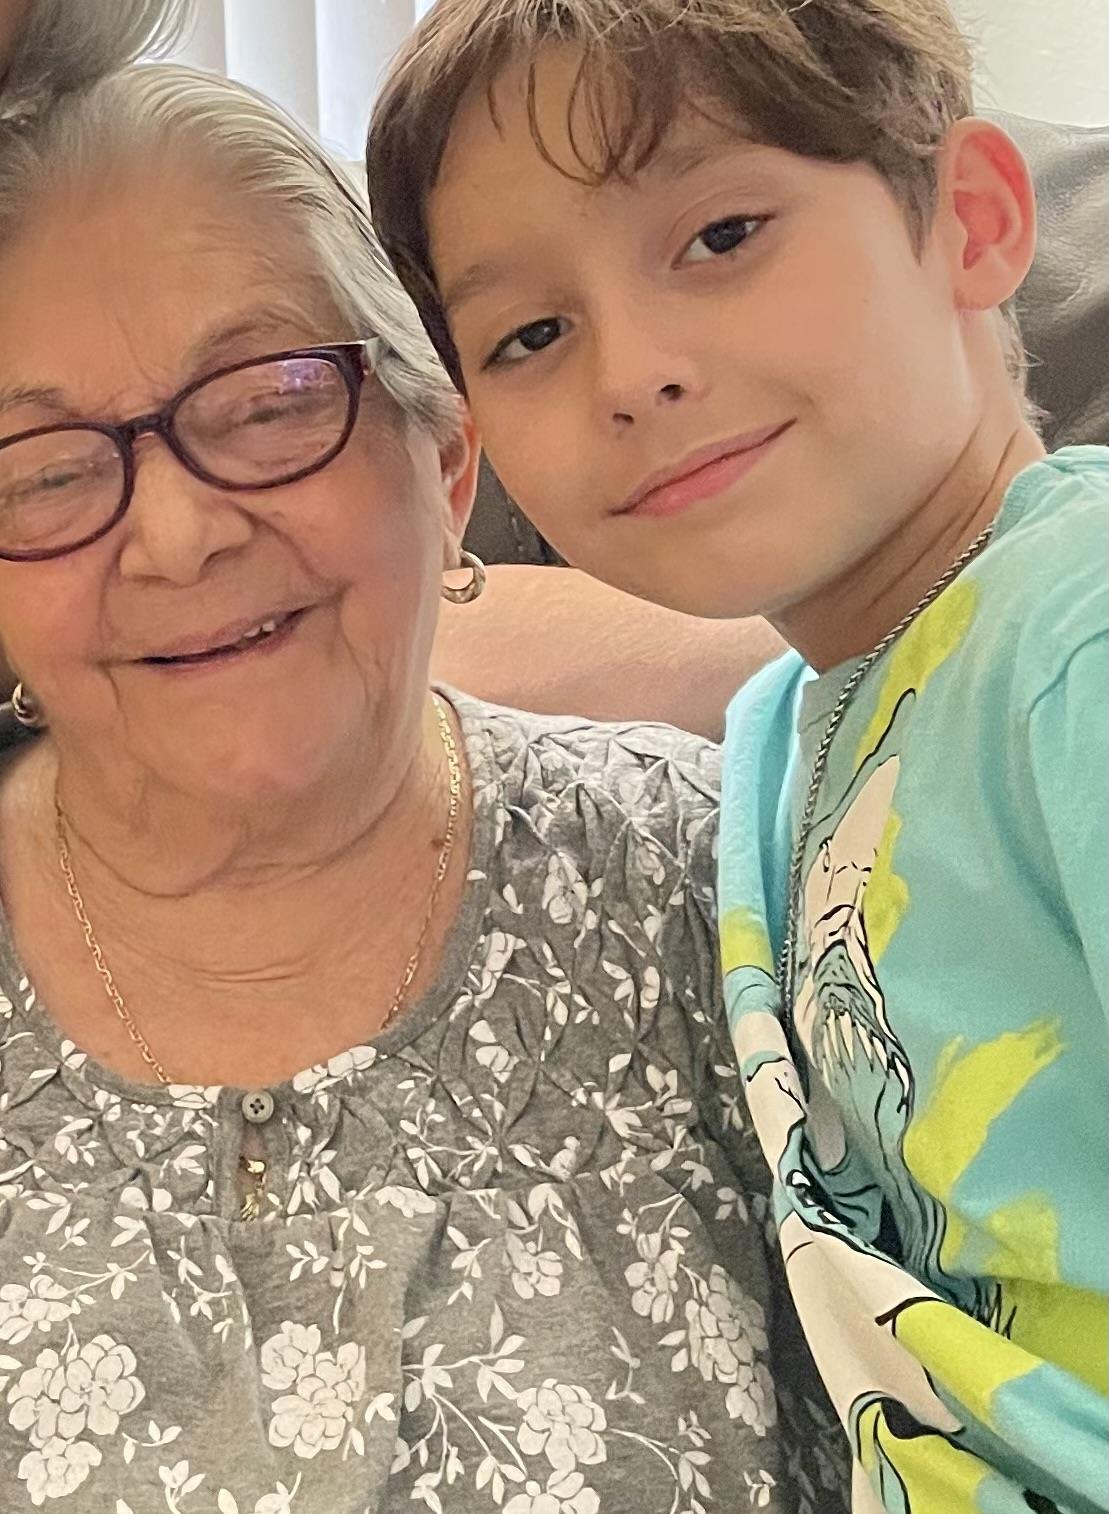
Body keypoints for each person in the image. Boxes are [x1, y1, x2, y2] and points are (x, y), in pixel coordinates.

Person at [0, 50, 848, 1513]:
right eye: (42, 471)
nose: (178, 534)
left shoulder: (744, 893)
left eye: (267, 400)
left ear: (447, 459)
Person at [366, 3, 1108, 1511]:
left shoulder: (1072, 640)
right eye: (530, 334)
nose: (629, 371)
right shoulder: (781, 733)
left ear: (966, 220)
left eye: (719, 235)